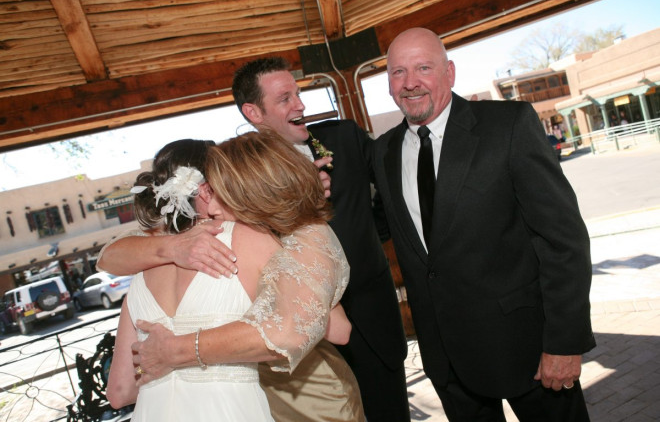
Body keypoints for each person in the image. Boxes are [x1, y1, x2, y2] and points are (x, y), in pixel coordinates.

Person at [371, 27, 595, 421]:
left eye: (423, 67)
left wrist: (564, 341)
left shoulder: (507, 126)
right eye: (398, 72)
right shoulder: (383, 151)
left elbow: (564, 240)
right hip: (447, 359)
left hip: (529, 350)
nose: (410, 83)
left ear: (450, 72)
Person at [106, 133, 364, 421]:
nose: (214, 205)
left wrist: (167, 362)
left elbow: (119, 392)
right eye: (211, 190)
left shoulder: (142, 264)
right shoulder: (251, 239)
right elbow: (338, 328)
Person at [232, 57, 410, 421]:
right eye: (285, 99)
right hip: (306, 344)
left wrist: (370, 238)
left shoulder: (343, 137)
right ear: (254, 111)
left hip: (372, 317)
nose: (300, 105)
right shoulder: (240, 173)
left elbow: (397, 190)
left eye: (297, 94)